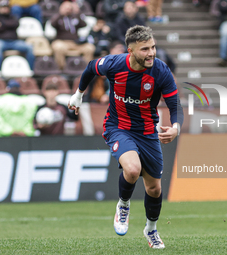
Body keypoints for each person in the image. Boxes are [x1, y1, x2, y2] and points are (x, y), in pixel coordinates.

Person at [68, 25, 184, 249]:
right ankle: (123, 205)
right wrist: (79, 94)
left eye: (153, 47)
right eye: (144, 49)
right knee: (132, 169)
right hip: (117, 126)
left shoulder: (160, 70)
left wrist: (176, 127)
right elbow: (91, 67)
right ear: (130, 50)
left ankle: (151, 229)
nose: (151, 53)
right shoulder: (115, 64)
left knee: (154, 189)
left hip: (148, 131)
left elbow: (174, 102)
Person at [50, 1, 95, 70]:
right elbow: (53, 24)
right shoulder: (59, 17)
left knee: (89, 48)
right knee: (58, 47)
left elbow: (84, 24)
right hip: (62, 42)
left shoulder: (75, 17)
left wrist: (77, 13)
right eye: (66, 7)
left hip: (75, 43)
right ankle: (62, 69)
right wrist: (61, 13)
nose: (68, 9)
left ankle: (87, 70)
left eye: (69, 7)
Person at [0, 0, 35, 69]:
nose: (5, 9)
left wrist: (2, 24)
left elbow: (16, 24)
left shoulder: (13, 16)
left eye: (6, 7)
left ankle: (30, 70)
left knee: (29, 47)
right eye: (3, 7)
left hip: (14, 42)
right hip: (1, 41)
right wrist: (9, 24)